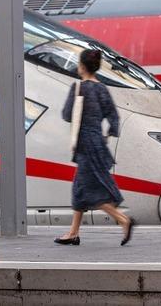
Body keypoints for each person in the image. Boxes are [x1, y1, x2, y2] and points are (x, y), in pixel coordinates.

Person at [55, 49, 135, 246]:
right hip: (98, 143)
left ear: (81, 66)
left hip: (84, 145)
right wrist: (108, 134)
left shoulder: (78, 88)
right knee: (79, 189)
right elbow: (114, 117)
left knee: (90, 191)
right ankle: (73, 233)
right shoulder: (102, 89)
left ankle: (123, 220)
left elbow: (66, 114)